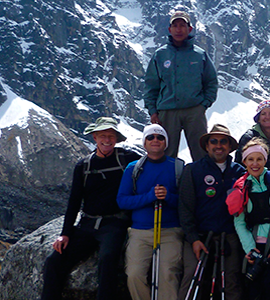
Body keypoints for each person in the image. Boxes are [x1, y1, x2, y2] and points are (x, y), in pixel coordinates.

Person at [41, 117, 140, 300]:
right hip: (86, 224)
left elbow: (149, 170)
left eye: (111, 136)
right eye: (103, 135)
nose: (107, 140)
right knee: (54, 261)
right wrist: (65, 233)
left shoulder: (128, 158)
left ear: (117, 139)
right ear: (95, 137)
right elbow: (74, 201)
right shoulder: (83, 166)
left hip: (115, 223)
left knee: (108, 259)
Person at [178, 124, 246, 300]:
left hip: (229, 236)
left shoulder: (240, 172)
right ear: (207, 146)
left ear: (230, 147)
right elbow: (185, 207)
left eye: (223, 142)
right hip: (200, 235)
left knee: (231, 280)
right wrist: (193, 239)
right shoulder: (192, 170)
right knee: (193, 276)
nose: (218, 145)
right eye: (213, 141)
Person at [117, 124, 185, 300]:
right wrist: (149, 197)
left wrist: (168, 197)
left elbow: (187, 203)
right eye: (151, 137)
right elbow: (122, 200)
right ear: (145, 143)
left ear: (166, 143)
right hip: (140, 231)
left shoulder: (178, 167)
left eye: (160, 137)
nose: (155, 140)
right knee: (134, 274)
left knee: (167, 275)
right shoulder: (133, 168)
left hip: (170, 231)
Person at [145, 10, 218, 162]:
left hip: (194, 111)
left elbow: (211, 81)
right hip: (167, 112)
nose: (179, 29)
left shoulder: (199, 54)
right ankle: (166, 185)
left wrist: (203, 105)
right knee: (166, 154)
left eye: (182, 25)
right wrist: (153, 111)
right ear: (169, 29)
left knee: (201, 153)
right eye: (175, 26)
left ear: (190, 29)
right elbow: (151, 85)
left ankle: (205, 184)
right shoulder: (160, 55)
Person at [233, 137, 270, 300]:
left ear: (265, 160)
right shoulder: (240, 186)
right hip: (254, 246)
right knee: (254, 290)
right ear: (244, 162)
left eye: (259, 159)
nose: (255, 164)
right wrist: (250, 249)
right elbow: (239, 222)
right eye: (250, 159)